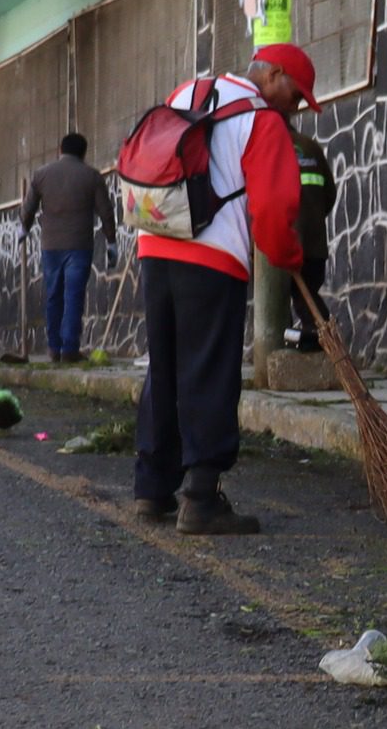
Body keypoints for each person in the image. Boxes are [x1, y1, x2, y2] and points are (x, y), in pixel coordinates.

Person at [131, 44, 314, 535]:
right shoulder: (263, 121)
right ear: (272, 75)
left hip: (155, 244)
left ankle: (151, 489)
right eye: (296, 95)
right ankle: (200, 497)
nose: (295, 108)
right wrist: (289, 256)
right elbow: (274, 212)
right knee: (209, 371)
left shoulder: (187, 91)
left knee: (164, 366)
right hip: (213, 258)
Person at [22, 131, 115, 362]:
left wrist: (23, 228)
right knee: (74, 296)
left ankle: (54, 348)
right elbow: (106, 212)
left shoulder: (41, 175)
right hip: (79, 245)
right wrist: (112, 242)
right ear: (83, 153)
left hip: (50, 245)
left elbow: (28, 208)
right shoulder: (92, 176)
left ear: (60, 150)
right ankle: (70, 349)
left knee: (54, 295)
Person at [278, 129, 337, 352]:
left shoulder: (270, 146)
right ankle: (318, 338)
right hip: (315, 241)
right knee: (307, 290)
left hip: (286, 239)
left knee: (300, 297)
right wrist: (313, 218)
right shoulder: (311, 146)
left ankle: (322, 336)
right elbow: (330, 193)